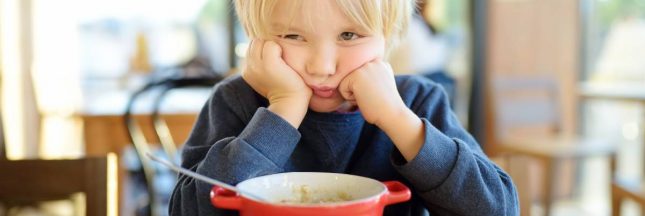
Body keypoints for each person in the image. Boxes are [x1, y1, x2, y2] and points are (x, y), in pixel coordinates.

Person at [169, 0, 519, 215]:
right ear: (256, 36)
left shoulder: (417, 104)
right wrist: (284, 110)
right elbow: (187, 211)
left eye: (349, 36)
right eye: (293, 36)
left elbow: (499, 209)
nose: (322, 66)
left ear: (389, 33)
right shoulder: (235, 102)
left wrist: (398, 121)